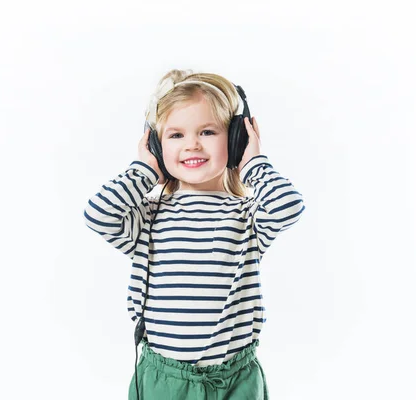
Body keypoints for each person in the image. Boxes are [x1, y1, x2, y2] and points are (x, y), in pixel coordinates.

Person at [84, 69, 306, 399]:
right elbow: (98, 214)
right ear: (156, 145)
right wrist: (145, 169)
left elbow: (288, 206)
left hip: (234, 380)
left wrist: (253, 163)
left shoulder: (248, 215)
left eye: (207, 131)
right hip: (163, 379)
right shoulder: (148, 216)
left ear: (235, 139)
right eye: (175, 136)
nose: (192, 144)